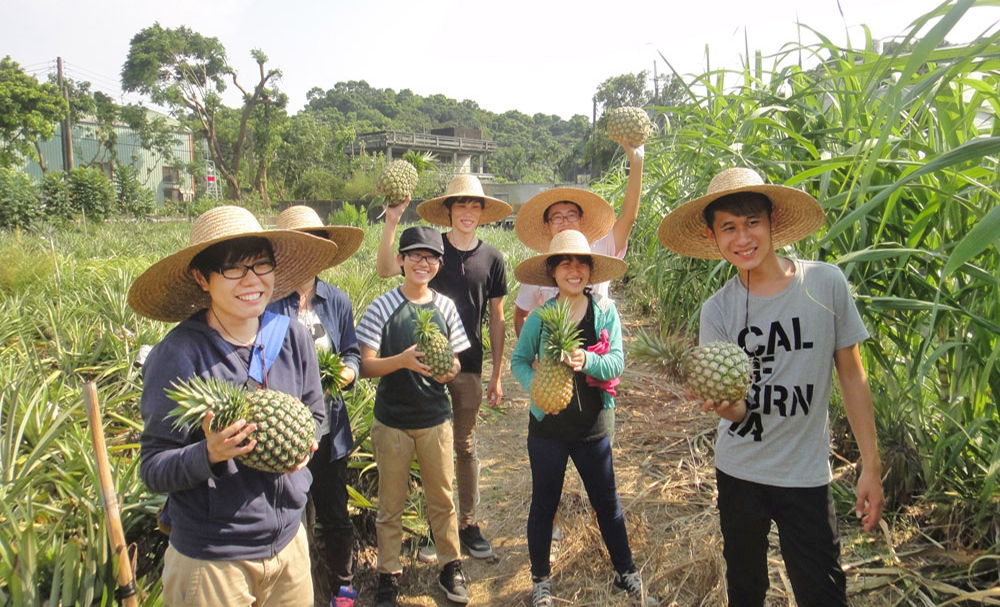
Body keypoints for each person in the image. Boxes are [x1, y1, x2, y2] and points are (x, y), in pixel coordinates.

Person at [657, 167, 885, 607]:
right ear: (713, 236)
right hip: (740, 472)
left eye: (751, 223)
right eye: (729, 227)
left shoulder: (824, 285)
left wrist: (870, 465)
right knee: (746, 589)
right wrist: (727, 408)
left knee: (822, 591)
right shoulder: (717, 310)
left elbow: (853, 375)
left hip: (806, 474)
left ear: (772, 223)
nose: (742, 238)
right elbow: (740, 412)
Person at [129, 205, 340, 606]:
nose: (251, 281)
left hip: (290, 545)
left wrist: (302, 443)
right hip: (213, 561)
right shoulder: (178, 355)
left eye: (261, 266)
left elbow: (315, 413)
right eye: (233, 269)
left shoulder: (292, 337)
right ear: (201, 278)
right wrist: (208, 453)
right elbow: (153, 469)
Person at [510, 229, 652, 607]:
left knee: (607, 503)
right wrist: (537, 387)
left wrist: (587, 359)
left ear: (590, 270)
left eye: (582, 263)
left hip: (593, 427)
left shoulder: (605, 312)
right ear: (553, 271)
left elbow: (618, 361)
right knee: (545, 503)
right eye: (565, 263)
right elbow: (519, 361)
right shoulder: (541, 318)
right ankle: (541, 579)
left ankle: (626, 571)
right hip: (547, 428)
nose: (574, 270)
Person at [375, 174, 512, 560]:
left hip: (466, 365)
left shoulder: (493, 258)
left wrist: (496, 373)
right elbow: (387, 269)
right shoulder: (431, 248)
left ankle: (466, 523)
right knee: (424, 448)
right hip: (416, 365)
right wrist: (392, 219)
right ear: (449, 210)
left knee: (464, 447)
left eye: (474, 205)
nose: (467, 212)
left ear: (482, 213)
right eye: (460, 205)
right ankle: (435, 531)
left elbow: (496, 318)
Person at [358, 226, 474, 607]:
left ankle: (450, 565)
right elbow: (366, 365)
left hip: (436, 419)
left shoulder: (445, 307)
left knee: (442, 499)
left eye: (431, 257)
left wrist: (450, 371)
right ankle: (388, 574)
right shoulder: (382, 306)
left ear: (438, 265)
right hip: (391, 421)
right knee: (391, 504)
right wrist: (403, 361)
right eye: (415, 255)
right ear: (402, 260)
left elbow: (456, 359)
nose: (423, 263)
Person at [267, 205, 364, 607]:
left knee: (335, 515)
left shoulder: (335, 300)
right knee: (294, 518)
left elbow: (353, 351)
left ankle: (342, 590)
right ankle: (302, 592)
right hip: (286, 438)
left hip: (330, 432)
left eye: (318, 244)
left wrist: (349, 372)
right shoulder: (270, 304)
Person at [513, 140, 644, 336]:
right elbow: (521, 313)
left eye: (571, 215)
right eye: (557, 217)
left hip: (596, 356)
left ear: (581, 220)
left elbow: (629, 217)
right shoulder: (541, 264)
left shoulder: (600, 249)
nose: (565, 221)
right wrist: (532, 355)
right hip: (555, 357)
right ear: (547, 225)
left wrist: (637, 163)